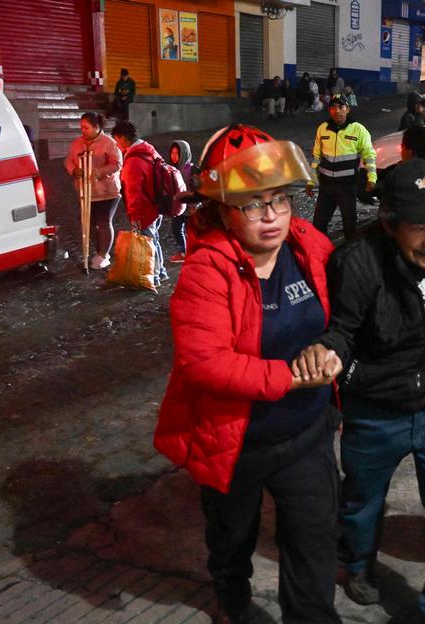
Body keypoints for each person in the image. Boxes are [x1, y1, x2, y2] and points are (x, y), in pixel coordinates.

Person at [294, 157, 425, 624]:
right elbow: (343, 329)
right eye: (419, 227)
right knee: (361, 501)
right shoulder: (358, 261)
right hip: (375, 409)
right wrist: (328, 352)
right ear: (390, 225)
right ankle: (358, 562)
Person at [154, 124, 343, 624]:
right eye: (253, 204)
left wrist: (336, 350)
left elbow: (346, 309)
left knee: (313, 541)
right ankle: (234, 605)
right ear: (221, 208)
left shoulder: (308, 244)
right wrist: (291, 377)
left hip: (307, 434)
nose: (272, 217)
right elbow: (204, 361)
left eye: (280, 200)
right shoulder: (207, 271)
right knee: (231, 540)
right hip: (235, 443)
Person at [306, 94, 377, 239]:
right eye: (333, 107)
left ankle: (348, 258)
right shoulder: (322, 129)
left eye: (340, 107)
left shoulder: (359, 130)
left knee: (349, 227)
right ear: (329, 110)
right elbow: (316, 157)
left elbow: (369, 156)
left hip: (347, 186)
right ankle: (321, 256)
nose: (337, 111)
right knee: (318, 225)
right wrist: (311, 181)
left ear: (348, 109)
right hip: (326, 187)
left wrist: (372, 178)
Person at [110, 120, 168, 287]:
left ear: (123, 138)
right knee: (154, 240)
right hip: (156, 204)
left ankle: (154, 276)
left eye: (117, 140)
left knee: (147, 243)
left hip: (144, 208)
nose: (117, 144)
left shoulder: (134, 161)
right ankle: (161, 271)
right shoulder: (149, 150)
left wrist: (134, 214)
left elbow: (133, 191)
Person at [64, 112, 122, 270]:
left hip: (107, 191)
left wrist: (99, 171)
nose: (83, 131)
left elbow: (117, 164)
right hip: (86, 191)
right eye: (81, 127)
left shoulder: (109, 143)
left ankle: (104, 254)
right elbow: (69, 160)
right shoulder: (77, 143)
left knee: (103, 222)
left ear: (96, 127)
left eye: (86, 128)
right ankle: (97, 251)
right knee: (90, 224)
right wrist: (74, 170)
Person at [167, 139, 195, 263]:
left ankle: (193, 253)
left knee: (191, 232)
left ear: (184, 153)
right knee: (176, 230)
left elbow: (198, 188)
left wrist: (195, 203)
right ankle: (182, 251)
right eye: (172, 153)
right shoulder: (171, 169)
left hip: (189, 208)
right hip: (178, 208)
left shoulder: (191, 169)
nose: (174, 156)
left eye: (177, 153)